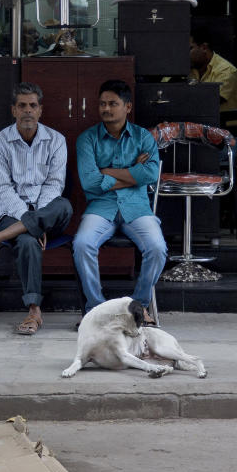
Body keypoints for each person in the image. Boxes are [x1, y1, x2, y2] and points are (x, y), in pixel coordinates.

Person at [0, 82, 73, 335]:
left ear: (40, 110)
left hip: (48, 209)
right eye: (22, 106)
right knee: (27, 241)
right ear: (13, 110)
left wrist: (38, 215)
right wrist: (33, 222)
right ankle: (33, 310)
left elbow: (54, 184)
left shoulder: (56, 141)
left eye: (33, 105)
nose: (28, 111)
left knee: (64, 205)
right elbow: (3, 189)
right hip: (9, 213)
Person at [71, 79, 166, 323]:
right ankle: (97, 310)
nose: (106, 109)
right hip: (101, 207)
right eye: (102, 103)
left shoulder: (143, 137)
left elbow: (150, 174)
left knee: (157, 248)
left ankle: (138, 307)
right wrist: (133, 172)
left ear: (128, 107)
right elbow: (90, 183)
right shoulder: (87, 139)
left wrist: (107, 171)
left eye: (113, 103)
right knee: (82, 244)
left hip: (137, 207)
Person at [189, 26, 237, 112]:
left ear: (204, 48)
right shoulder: (191, 69)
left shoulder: (227, 70)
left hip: (224, 124)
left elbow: (210, 101)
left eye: (190, 48)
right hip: (202, 123)